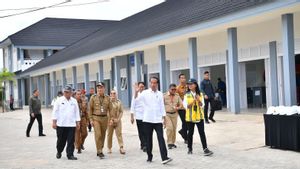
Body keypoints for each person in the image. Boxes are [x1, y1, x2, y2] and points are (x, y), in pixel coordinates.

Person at [135, 77, 172, 164]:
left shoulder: (160, 94)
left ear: (157, 84)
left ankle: (164, 157)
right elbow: (136, 100)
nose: (153, 84)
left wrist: (164, 118)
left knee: (161, 138)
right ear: (149, 83)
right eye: (151, 83)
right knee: (148, 139)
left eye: (155, 83)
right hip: (147, 120)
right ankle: (149, 156)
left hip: (158, 120)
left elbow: (162, 106)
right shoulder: (145, 93)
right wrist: (136, 91)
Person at [183, 78, 213, 156]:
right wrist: (193, 101)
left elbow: (202, 105)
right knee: (190, 133)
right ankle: (189, 148)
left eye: (191, 84)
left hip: (199, 117)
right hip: (190, 118)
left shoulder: (200, 94)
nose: (189, 85)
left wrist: (198, 100)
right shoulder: (186, 95)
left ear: (195, 85)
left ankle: (205, 148)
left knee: (202, 133)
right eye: (189, 84)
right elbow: (186, 106)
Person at [52, 85, 80, 160]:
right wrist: (54, 122)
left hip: (71, 124)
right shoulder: (59, 100)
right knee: (61, 140)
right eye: (65, 92)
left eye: (68, 92)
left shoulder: (74, 101)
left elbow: (77, 112)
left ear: (71, 93)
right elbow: (55, 111)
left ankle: (70, 154)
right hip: (61, 124)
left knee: (71, 141)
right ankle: (59, 151)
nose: (66, 93)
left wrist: (77, 122)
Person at [89, 82, 112, 159]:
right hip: (96, 118)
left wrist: (111, 119)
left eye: (101, 87)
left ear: (104, 88)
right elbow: (90, 109)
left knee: (103, 135)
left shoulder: (108, 98)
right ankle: (99, 151)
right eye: (98, 88)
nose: (99, 89)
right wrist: (91, 120)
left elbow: (110, 109)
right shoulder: (93, 97)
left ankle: (100, 148)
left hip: (105, 118)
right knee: (98, 134)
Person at [164, 84, 182, 149]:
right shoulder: (164, 96)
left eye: (175, 89)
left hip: (175, 114)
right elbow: (161, 106)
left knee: (174, 129)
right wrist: (162, 117)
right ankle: (169, 142)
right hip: (167, 114)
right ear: (169, 89)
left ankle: (172, 143)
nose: (174, 90)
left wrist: (178, 107)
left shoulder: (177, 96)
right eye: (172, 89)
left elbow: (181, 104)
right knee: (169, 128)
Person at [107, 90, 125, 155]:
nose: (113, 95)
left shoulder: (119, 102)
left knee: (119, 134)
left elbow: (121, 111)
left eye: (114, 93)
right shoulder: (108, 102)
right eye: (111, 93)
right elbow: (107, 111)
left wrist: (118, 119)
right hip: (110, 121)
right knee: (109, 135)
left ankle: (121, 147)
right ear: (110, 94)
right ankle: (109, 147)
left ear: (116, 94)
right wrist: (110, 119)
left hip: (118, 121)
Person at [130, 81, 147, 152]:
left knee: (146, 131)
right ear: (138, 87)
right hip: (139, 116)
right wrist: (132, 116)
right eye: (140, 87)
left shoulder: (147, 94)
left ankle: (145, 144)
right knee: (141, 131)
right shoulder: (136, 95)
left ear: (145, 87)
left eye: (143, 87)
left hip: (146, 116)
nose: (141, 88)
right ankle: (143, 144)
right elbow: (132, 105)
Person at [74, 90, 88, 154]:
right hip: (75, 120)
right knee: (77, 134)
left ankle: (81, 143)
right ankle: (79, 148)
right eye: (78, 94)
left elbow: (86, 111)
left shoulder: (84, 101)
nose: (79, 95)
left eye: (80, 94)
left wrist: (88, 120)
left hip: (83, 118)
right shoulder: (73, 102)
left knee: (85, 133)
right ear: (75, 95)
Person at [176, 73, 188, 143]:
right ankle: (186, 138)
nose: (183, 79)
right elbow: (176, 99)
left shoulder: (188, 87)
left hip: (188, 107)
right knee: (184, 122)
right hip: (181, 108)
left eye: (184, 78)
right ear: (179, 79)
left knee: (188, 122)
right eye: (182, 78)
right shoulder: (177, 88)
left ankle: (182, 131)